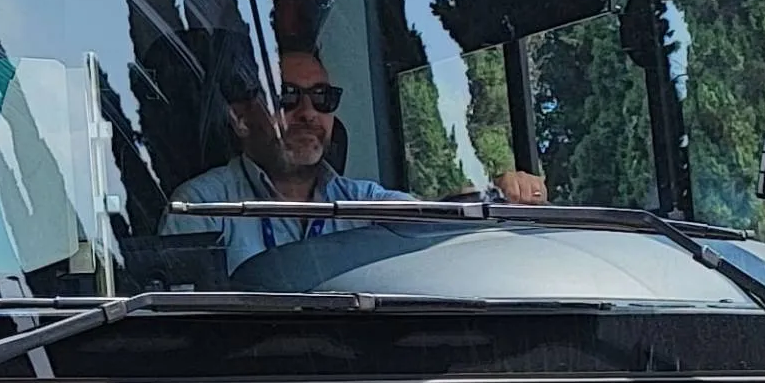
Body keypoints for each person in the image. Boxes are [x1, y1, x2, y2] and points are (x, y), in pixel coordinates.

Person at [172, 45, 542, 266]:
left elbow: (433, 222)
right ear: (240, 118)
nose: (308, 113)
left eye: (322, 98)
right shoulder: (198, 207)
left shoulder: (362, 200)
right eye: (285, 97)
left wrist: (499, 194)